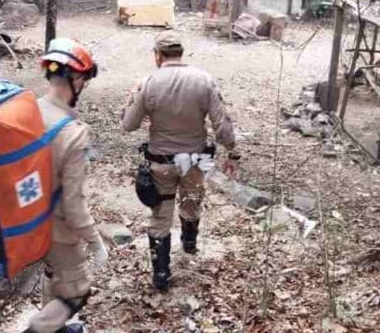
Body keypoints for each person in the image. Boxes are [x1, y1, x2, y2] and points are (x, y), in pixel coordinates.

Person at [121, 31, 237, 292]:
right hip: (194, 161)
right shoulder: (204, 80)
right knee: (191, 201)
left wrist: (131, 101)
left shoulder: (148, 83)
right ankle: (189, 243)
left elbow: (128, 125)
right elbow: (223, 127)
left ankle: (161, 274)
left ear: (157, 55)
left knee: (161, 216)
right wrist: (232, 153)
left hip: (161, 162)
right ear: (182, 53)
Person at [27, 38, 108, 333]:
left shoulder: (28, 111)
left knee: (54, 275)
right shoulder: (73, 134)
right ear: (75, 78)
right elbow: (74, 205)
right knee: (76, 291)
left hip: (26, 219)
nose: (83, 86)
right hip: (58, 230)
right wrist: (95, 241)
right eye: (83, 79)